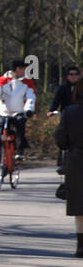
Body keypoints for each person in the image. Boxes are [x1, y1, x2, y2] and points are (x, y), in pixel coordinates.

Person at [54, 77, 83, 256]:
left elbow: (61, 138)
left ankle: (81, 245)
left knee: (79, 205)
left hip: (77, 160)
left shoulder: (70, 112)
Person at [0, 58, 36, 160]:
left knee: (20, 127)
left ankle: (20, 151)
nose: (24, 71)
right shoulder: (2, 80)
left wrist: (29, 108)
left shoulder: (27, 81)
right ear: (15, 69)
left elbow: (31, 96)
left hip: (18, 111)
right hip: (3, 111)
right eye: (22, 68)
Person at [51, 65, 79, 174]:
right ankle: (61, 163)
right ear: (67, 76)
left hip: (79, 117)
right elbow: (56, 100)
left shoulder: (81, 88)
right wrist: (51, 110)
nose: (73, 77)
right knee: (62, 137)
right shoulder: (62, 88)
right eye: (71, 74)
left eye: (76, 74)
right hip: (66, 117)